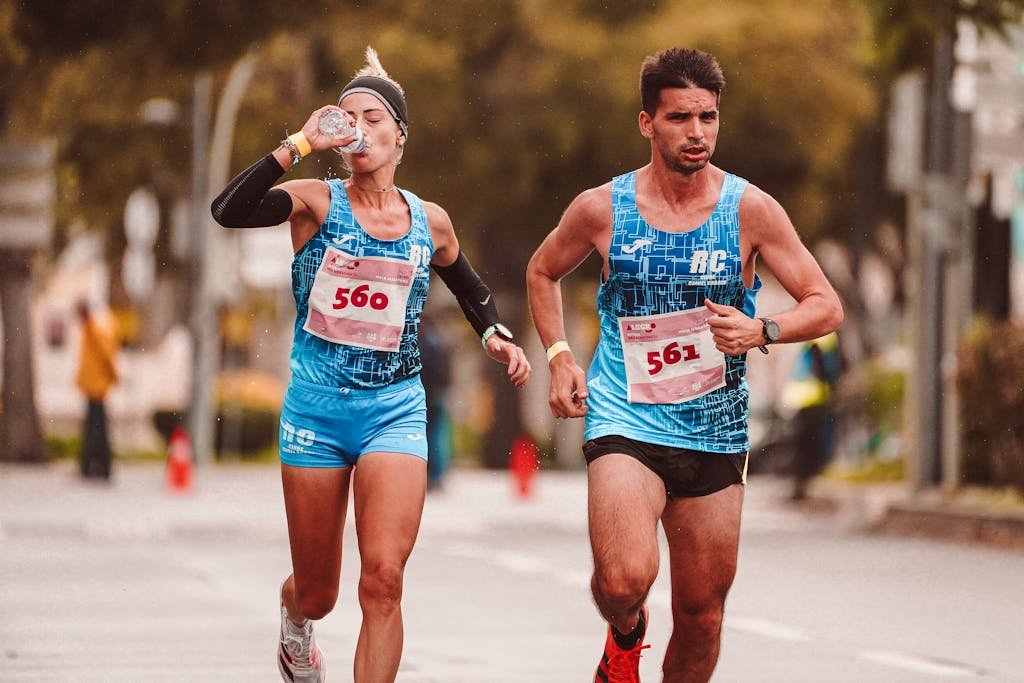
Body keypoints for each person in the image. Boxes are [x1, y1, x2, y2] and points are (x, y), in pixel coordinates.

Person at [211, 48, 530, 683]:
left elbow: (470, 288)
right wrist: (300, 141)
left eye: (373, 116)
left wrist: (495, 333)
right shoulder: (314, 203)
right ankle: (294, 621)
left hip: (395, 410)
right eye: (345, 117)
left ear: (399, 136)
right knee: (320, 594)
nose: (357, 127)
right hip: (317, 414)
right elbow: (229, 211)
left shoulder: (429, 221)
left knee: (382, 580)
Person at [526, 47, 843, 682]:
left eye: (708, 117)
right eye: (679, 118)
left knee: (702, 615)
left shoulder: (750, 210)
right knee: (623, 580)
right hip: (626, 416)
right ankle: (626, 636)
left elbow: (826, 304)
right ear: (647, 123)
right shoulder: (601, 209)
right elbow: (542, 270)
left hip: (714, 428)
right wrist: (561, 358)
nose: (696, 133)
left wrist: (761, 329)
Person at [782, 331, 843, 501]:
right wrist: (834, 389)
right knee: (812, 448)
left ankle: (799, 487)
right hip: (814, 400)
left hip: (799, 400)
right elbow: (827, 368)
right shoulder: (825, 337)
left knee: (802, 449)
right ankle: (803, 486)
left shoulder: (809, 337)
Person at [74, 299, 119, 480]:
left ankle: (95, 466)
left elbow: (106, 354)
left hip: (97, 387)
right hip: (93, 386)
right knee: (95, 427)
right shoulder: (91, 328)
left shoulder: (95, 328)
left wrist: (114, 375)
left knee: (95, 429)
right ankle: (96, 466)